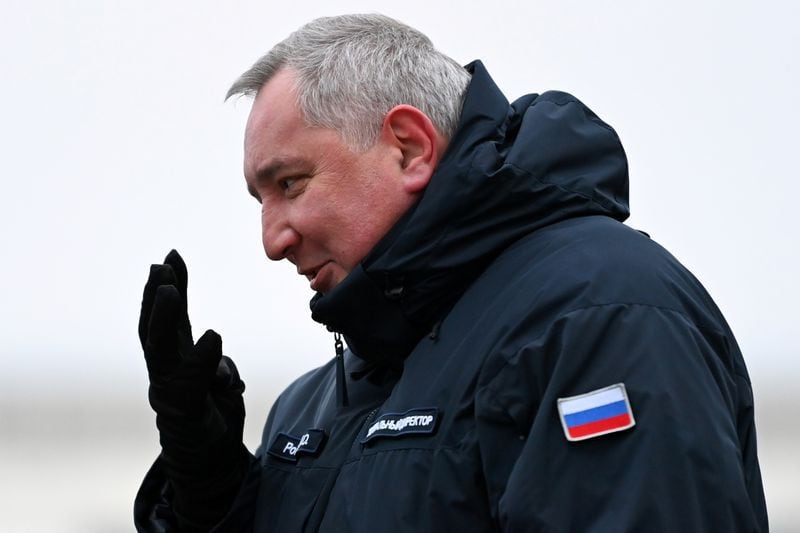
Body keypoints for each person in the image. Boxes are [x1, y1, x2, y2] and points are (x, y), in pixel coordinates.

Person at [134, 13, 768, 532]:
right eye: (259, 199)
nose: (272, 240)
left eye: (291, 183)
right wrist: (210, 491)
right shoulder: (313, 404)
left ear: (409, 147)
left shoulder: (599, 316)